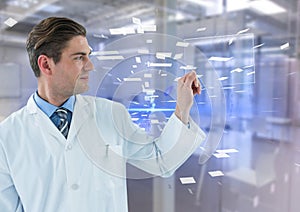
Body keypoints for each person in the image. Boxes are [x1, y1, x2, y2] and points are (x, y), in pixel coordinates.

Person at [0, 17, 206, 212]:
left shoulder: (111, 114)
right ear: (46, 64)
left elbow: (161, 161)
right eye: (79, 58)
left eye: (88, 56)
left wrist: (182, 108)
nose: (90, 66)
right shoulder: (7, 136)